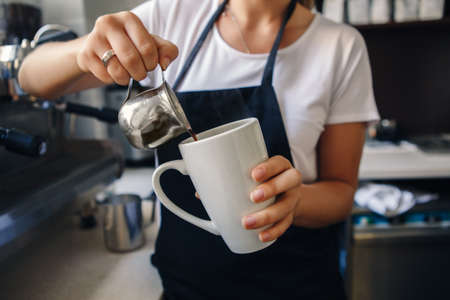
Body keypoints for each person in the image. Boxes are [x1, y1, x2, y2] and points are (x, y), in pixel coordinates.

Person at [19, 0, 379, 299]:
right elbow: (30, 79)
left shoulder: (340, 46)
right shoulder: (169, 18)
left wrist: (296, 200)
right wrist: (85, 52)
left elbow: (341, 192)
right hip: (187, 288)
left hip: (300, 284)